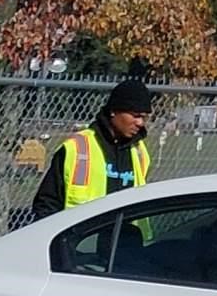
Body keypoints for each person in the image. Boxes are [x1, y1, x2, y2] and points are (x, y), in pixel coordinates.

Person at [32, 80, 155, 218]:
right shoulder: (77, 148)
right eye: (135, 115)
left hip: (127, 237)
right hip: (83, 237)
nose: (140, 123)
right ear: (114, 111)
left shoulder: (139, 152)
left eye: (144, 117)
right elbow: (47, 203)